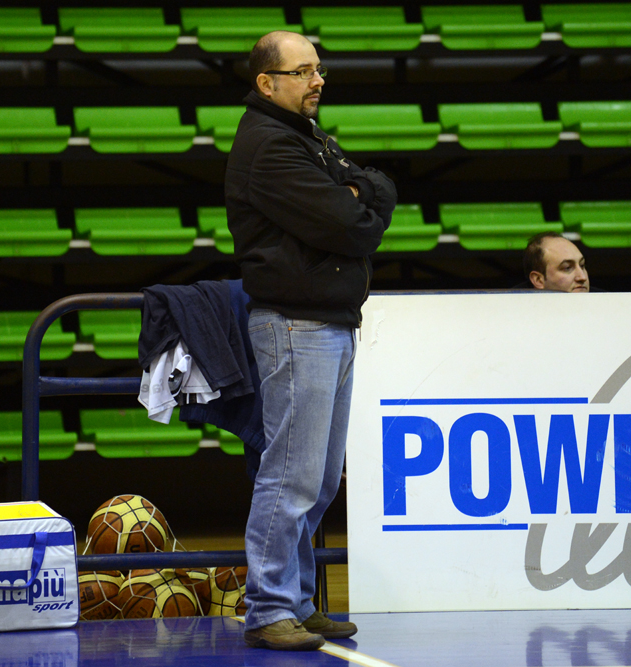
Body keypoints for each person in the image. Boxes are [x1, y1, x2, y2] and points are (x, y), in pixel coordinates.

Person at [224, 31, 397, 651]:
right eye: (302, 72)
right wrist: (353, 197)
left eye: (319, 69)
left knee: (319, 479)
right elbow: (353, 225)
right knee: (291, 476)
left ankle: (297, 601)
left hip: (326, 322)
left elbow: (377, 188)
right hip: (297, 324)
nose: (317, 80)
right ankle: (269, 608)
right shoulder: (271, 147)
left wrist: (357, 192)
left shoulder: (304, 136)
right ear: (267, 82)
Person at [520, 232, 590, 292]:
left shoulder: (600, 300)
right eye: (567, 268)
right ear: (538, 280)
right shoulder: (512, 306)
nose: (582, 277)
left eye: (582, 265)